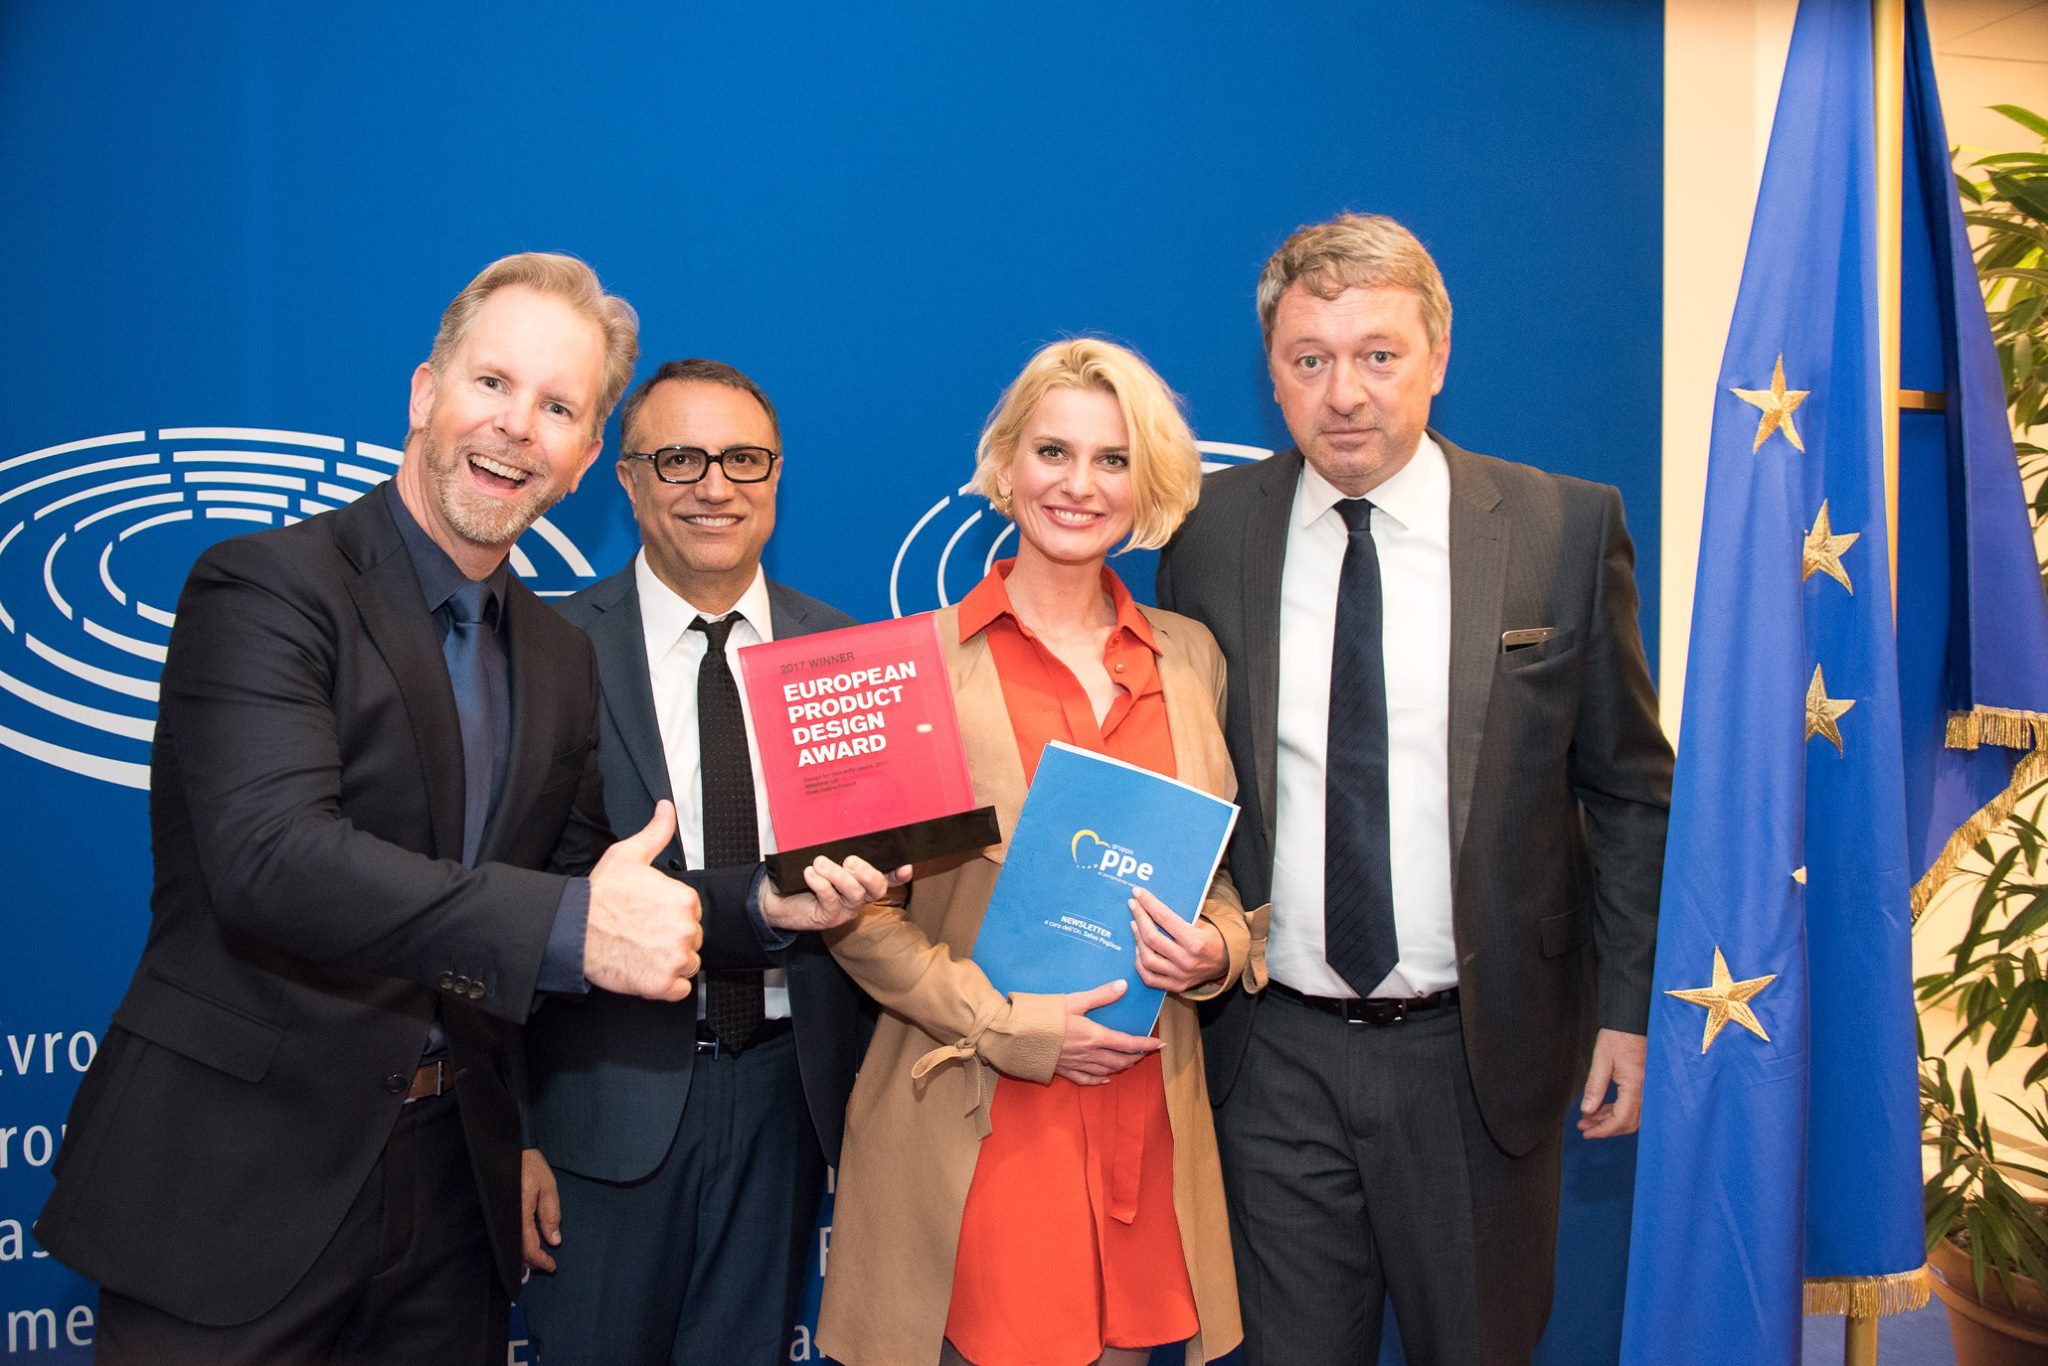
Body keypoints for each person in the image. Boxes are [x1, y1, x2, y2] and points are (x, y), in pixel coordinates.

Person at [34, 254, 872, 1365]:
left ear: (582, 460)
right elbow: (273, 860)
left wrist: (763, 902)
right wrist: (570, 926)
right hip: (236, 1182)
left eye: (559, 407)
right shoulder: (267, 586)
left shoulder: (555, 655)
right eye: (493, 383)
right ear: (425, 392)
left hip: (449, 1191)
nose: (518, 426)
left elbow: (586, 881)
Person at [1155, 212, 1674, 1366]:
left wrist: (1627, 1010)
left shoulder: (1558, 527)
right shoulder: (1207, 534)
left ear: (1436, 358)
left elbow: (1627, 791)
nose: (1343, 393)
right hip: (1270, 1057)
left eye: (1377, 354)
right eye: (1309, 359)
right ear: (1272, 375)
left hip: (1477, 1059)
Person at [818, 338, 1253, 1366]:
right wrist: (1007, 1025)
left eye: (1112, 459)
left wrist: (1219, 949)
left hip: (1146, 1116)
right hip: (980, 1113)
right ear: (1005, 465)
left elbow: (1215, 873)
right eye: (1053, 451)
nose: (1078, 484)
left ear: (1145, 483)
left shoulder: (1189, 657)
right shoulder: (918, 667)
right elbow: (857, 915)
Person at [520, 358, 896, 1364]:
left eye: (743, 459)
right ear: (628, 478)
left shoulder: (846, 652)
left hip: (787, 1100)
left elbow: (880, 895)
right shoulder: (548, 648)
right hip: (598, 1107)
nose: (715, 486)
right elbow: (500, 901)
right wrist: (511, 1132)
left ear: (777, 475)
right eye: (679, 459)